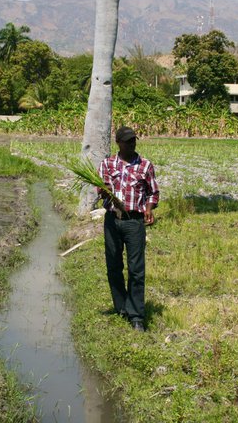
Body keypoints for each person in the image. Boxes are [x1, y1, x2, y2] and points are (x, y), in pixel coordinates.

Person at [98, 126, 159, 332]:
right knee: (114, 265)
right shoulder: (107, 165)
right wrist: (105, 193)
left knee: (136, 269)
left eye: (134, 140)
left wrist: (149, 209)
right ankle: (121, 306)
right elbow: (102, 189)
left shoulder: (145, 165)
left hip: (134, 222)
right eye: (127, 141)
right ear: (118, 143)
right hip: (113, 220)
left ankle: (136, 316)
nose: (132, 144)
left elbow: (153, 192)